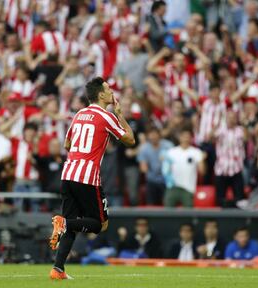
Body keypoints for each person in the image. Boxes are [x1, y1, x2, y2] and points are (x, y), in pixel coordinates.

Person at [48, 77, 135, 280]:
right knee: (99, 225)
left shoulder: (79, 114)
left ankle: (57, 268)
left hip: (68, 174)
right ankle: (64, 225)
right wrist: (120, 115)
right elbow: (130, 140)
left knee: (72, 221)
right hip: (87, 178)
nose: (111, 91)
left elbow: (67, 145)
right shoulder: (106, 116)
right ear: (101, 95)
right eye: (108, 88)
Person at [163, 129, 206, 208]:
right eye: (184, 137)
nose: (186, 139)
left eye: (188, 137)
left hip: (188, 188)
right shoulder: (171, 152)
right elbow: (165, 170)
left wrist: (202, 161)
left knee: (188, 215)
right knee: (167, 214)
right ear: (180, 138)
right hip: (172, 187)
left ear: (191, 139)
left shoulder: (196, 152)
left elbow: (202, 172)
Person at [138, 127, 173, 205]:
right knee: (150, 204)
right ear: (148, 136)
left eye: (155, 134)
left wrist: (166, 160)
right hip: (151, 180)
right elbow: (143, 167)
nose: (153, 137)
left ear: (159, 135)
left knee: (166, 204)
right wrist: (146, 168)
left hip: (166, 180)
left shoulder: (168, 145)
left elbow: (174, 162)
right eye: (151, 135)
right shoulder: (144, 148)